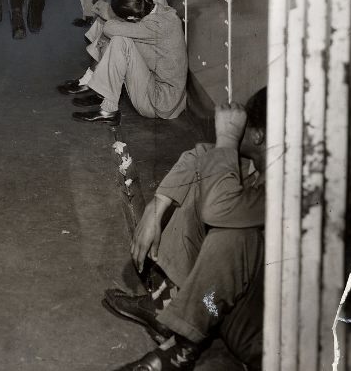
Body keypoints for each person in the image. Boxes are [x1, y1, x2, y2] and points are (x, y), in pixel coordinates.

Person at [104, 90, 267, 370]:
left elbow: (218, 208)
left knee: (233, 234)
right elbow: (202, 155)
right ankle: (167, 305)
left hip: (263, 341)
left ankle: (179, 350)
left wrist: (227, 139)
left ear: (258, 136)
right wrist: (157, 205)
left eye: (243, 128)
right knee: (210, 174)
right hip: (221, 310)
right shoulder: (273, 165)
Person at [65, 0, 187, 125]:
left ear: (132, 18)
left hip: (159, 103)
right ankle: (101, 91)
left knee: (119, 41)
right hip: (173, 100)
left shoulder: (155, 26)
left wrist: (115, 17)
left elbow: (109, 28)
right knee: (121, 38)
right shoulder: (161, 11)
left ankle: (108, 110)